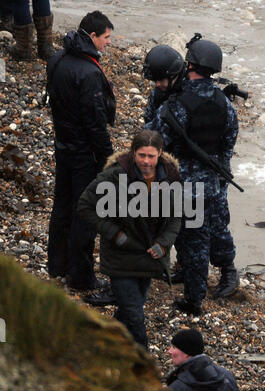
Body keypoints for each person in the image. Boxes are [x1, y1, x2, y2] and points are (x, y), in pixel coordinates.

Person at [145, 38, 240, 315]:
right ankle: (195, 292)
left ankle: (197, 281)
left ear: (188, 65)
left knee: (180, 235)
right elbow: (229, 141)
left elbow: (152, 137)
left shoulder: (176, 103)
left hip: (180, 186)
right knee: (201, 237)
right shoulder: (223, 102)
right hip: (210, 184)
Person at [77, 129, 182, 348]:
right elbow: (85, 206)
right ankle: (144, 362)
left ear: (160, 154)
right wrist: (114, 233)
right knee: (135, 316)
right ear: (134, 153)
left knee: (129, 310)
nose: (146, 161)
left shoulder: (170, 177)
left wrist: (164, 243)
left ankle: (100, 342)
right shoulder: (115, 175)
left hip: (150, 256)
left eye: (151, 156)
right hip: (120, 256)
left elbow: (176, 217)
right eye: (141, 155)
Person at [47, 11, 116, 291]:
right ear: (92, 37)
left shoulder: (57, 59)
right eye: (107, 38)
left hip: (63, 146)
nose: (109, 43)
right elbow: (95, 122)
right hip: (83, 154)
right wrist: (107, 157)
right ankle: (82, 276)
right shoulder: (88, 72)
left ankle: (57, 264)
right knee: (85, 213)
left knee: (61, 206)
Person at [167, 328, 241, 391]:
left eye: (174, 347)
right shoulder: (228, 377)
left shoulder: (178, 388)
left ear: (186, 352)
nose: (169, 351)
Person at [143, 44, 186, 124]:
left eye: (160, 80)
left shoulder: (190, 93)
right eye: (155, 81)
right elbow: (149, 120)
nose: (157, 84)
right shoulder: (158, 93)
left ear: (173, 76)